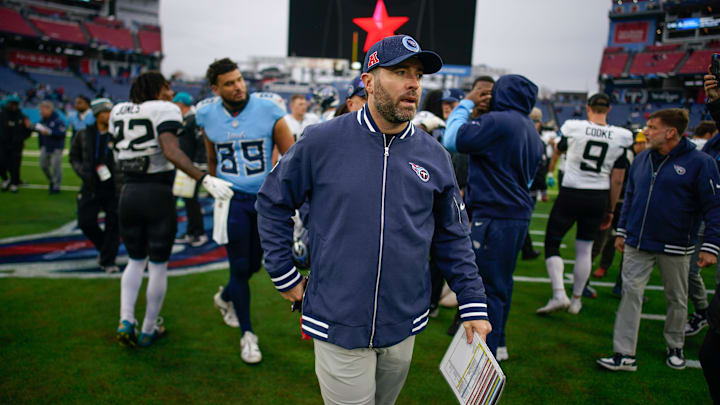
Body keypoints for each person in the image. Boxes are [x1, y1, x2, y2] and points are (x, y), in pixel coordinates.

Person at [256, 35, 491, 404]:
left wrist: (472, 301)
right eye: (400, 72)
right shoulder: (321, 140)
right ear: (368, 82)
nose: (413, 83)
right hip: (337, 318)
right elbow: (272, 202)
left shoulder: (434, 154)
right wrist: (283, 274)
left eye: (417, 74)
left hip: (404, 321)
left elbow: (452, 237)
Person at [111, 72, 234, 348]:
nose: (170, 94)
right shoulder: (164, 109)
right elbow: (170, 150)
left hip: (128, 193)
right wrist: (203, 178)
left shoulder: (118, 110)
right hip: (156, 192)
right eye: (167, 88)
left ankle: (125, 318)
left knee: (134, 260)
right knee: (157, 264)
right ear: (158, 88)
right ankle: (148, 327)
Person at [597, 108, 720, 372]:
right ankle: (624, 353)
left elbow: (714, 206)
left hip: (676, 244)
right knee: (630, 295)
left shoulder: (701, 162)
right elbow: (630, 195)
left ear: (671, 132)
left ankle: (675, 345)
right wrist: (622, 230)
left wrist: (711, 245)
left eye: (652, 127)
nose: (646, 132)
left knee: (677, 298)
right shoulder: (642, 159)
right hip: (637, 243)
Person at [197, 58, 294, 363]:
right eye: (229, 83)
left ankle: (225, 296)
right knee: (239, 266)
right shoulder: (206, 114)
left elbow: (291, 158)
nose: (238, 86)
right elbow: (211, 158)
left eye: (239, 80)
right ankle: (248, 335)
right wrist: (214, 186)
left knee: (254, 265)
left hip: (264, 200)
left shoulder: (269, 109)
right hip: (232, 200)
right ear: (216, 88)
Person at [443, 73, 543, 360]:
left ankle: (486, 353)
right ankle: (498, 343)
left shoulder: (499, 121)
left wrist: (467, 103)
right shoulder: (529, 129)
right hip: (516, 214)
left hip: (494, 215)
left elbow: (452, 139)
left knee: (485, 286)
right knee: (501, 284)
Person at [536, 94, 632, 316]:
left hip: (571, 191)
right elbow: (617, 178)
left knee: (553, 242)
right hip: (598, 196)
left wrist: (551, 170)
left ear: (588, 108)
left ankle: (559, 293)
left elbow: (559, 149)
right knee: (585, 249)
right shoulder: (620, 136)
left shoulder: (574, 127)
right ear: (608, 109)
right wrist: (610, 208)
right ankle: (577, 300)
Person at [69, 98, 120, 273]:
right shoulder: (83, 134)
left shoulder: (117, 134)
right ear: (97, 114)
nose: (108, 115)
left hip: (113, 186)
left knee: (114, 224)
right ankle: (104, 248)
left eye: (110, 112)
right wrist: (82, 171)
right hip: (90, 185)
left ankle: (108, 260)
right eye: (105, 112)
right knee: (86, 221)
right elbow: (73, 156)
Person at [592, 131, 647, 284]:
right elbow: (617, 180)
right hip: (616, 202)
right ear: (638, 143)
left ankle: (621, 281)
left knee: (627, 244)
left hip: (627, 203)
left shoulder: (644, 157)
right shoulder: (626, 156)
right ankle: (602, 269)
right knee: (605, 239)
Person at [172, 92, 209, 248]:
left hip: (191, 166)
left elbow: (201, 142)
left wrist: (198, 164)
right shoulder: (188, 119)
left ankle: (198, 232)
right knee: (188, 200)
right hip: (187, 165)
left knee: (191, 201)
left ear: (180, 104)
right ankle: (191, 231)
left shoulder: (193, 119)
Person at [520, 107, 548, 261]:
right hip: (526, 189)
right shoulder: (536, 141)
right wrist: (543, 189)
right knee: (521, 222)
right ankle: (526, 250)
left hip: (516, 187)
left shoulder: (517, 137)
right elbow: (539, 169)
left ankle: (527, 249)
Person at [0, 95, 31, 193]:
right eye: (12, 104)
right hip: (2, 144)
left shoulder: (21, 116)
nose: (14, 106)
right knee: (1, 162)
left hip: (16, 145)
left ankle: (14, 183)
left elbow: (27, 130)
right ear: (8, 104)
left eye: (16, 104)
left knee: (15, 165)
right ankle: (5, 179)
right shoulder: (2, 115)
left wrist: (22, 138)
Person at [37, 100, 67, 194]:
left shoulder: (58, 120)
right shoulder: (43, 120)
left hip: (56, 147)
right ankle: (52, 180)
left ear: (49, 109)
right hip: (45, 146)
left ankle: (56, 186)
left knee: (55, 167)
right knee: (43, 165)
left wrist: (50, 132)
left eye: (42, 110)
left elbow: (62, 133)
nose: (41, 112)